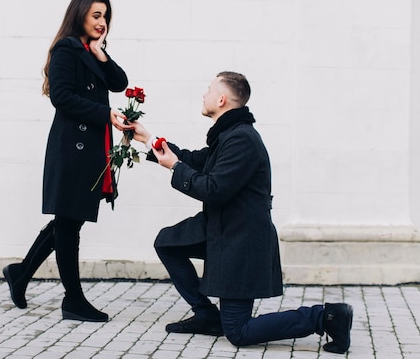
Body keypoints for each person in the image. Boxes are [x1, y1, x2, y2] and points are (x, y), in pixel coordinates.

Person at [130, 71, 353, 354]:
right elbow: (195, 160)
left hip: (242, 241)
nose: (204, 94)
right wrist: (148, 140)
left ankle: (325, 317)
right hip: (222, 228)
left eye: (209, 89)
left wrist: (174, 167)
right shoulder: (228, 136)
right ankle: (208, 316)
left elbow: (213, 189)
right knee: (167, 243)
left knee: (238, 331)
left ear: (221, 99)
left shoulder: (242, 140)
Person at [3, 0, 129, 323]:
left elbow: (120, 82)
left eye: (105, 16)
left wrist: (102, 54)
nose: (102, 23)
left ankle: (20, 273)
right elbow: (61, 98)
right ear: (80, 16)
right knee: (68, 223)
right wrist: (106, 115)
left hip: (89, 149)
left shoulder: (91, 50)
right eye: (96, 16)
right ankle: (73, 300)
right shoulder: (67, 49)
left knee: (67, 220)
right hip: (72, 147)